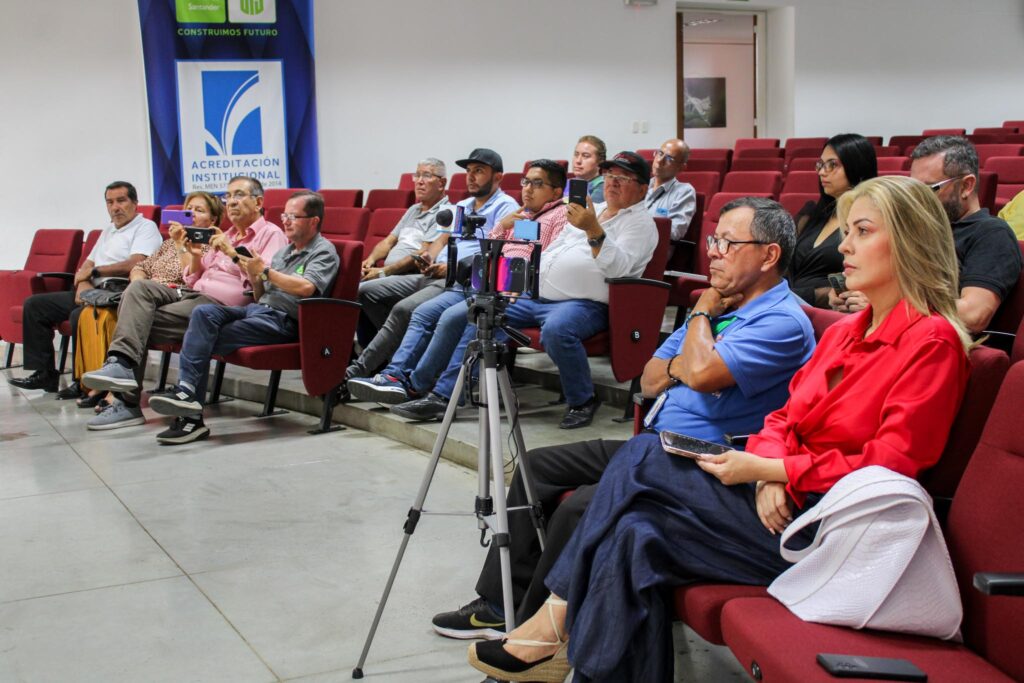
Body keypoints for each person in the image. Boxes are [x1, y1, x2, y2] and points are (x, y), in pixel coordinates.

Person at [467, 175, 973, 683]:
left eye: (862, 231)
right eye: (848, 231)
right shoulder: (847, 331)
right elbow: (783, 417)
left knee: (643, 456)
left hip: (831, 531)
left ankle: (556, 618)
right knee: (634, 535)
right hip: (779, 497)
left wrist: (775, 468)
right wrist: (773, 473)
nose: (844, 244)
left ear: (908, 240)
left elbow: (891, 468)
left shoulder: (931, 341)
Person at [430, 197, 814, 641]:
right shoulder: (722, 307)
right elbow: (650, 378)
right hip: (656, 442)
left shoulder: (780, 320)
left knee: (579, 505)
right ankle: (499, 602)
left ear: (770, 255)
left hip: (704, 462)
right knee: (536, 468)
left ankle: (533, 628)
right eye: (714, 240)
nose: (714, 252)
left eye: (728, 243)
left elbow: (705, 374)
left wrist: (702, 317)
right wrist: (687, 360)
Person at [392, 152, 658, 429]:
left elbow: (619, 269)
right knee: (484, 312)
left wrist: (591, 228)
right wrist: (520, 286)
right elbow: (553, 251)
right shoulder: (594, 207)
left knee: (557, 329)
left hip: (586, 303)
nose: (612, 183)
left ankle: (583, 400)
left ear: (642, 187)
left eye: (622, 178)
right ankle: (445, 396)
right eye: (609, 176)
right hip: (536, 295)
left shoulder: (640, 224)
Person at [348, 159, 569, 406]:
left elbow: (539, 253)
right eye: (526, 182)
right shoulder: (522, 215)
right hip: (479, 280)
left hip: (502, 287)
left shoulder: (559, 215)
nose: (527, 188)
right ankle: (395, 375)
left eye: (536, 183)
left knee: (446, 317)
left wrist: (504, 235)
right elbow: (493, 249)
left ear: (557, 191)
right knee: (421, 313)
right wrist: (501, 227)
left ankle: (418, 386)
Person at [82, 175, 286, 430]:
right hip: (193, 294)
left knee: (135, 323)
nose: (231, 202)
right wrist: (190, 252)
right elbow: (194, 277)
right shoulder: (227, 234)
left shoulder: (271, 234)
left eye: (239, 195)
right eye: (228, 196)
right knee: (138, 291)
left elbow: (266, 285)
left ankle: (126, 402)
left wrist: (231, 254)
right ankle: (120, 365)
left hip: (223, 308)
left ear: (258, 202)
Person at [146, 192, 339, 443]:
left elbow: (306, 288)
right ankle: (188, 398)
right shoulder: (285, 253)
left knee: (200, 338)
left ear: (313, 221)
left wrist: (265, 272)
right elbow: (260, 295)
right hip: (259, 311)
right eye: (284, 216)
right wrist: (257, 278)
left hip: (285, 321)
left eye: (293, 216)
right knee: (203, 313)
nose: (286, 221)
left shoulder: (323, 251)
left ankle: (190, 417)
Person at [342, 148, 518, 389]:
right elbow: (442, 240)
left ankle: (360, 370)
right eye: (468, 171)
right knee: (366, 291)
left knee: (405, 310)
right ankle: (390, 360)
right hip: (433, 273)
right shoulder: (463, 205)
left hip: (461, 282)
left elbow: (500, 254)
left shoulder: (506, 207)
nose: (471, 176)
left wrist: (449, 269)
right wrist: (428, 257)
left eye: (479, 171)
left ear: (498, 177)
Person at [10, 181, 162, 394]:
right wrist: (82, 286)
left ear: (135, 203)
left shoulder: (145, 227)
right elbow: (86, 265)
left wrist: (92, 274)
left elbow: (135, 264)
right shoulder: (109, 229)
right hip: (92, 289)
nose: (115, 207)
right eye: (110, 202)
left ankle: (82, 382)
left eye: (121, 200)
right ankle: (45, 374)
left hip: (119, 292)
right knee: (35, 305)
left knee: (78, 315)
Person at [74, 191, 219, 410]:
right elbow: (141, 266)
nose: (193, 216)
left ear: (213, 219)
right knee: (135, 314)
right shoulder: (169, 243)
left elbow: (190, 275)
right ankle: (120, 386)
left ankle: (122, 395)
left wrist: (182, 245)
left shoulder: (210, 243)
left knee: (134, 316)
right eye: (189, 211)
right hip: (154, 295)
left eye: (200, 211)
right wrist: (139, 281)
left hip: (180, 293)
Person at [355, 158, 450, 344]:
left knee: (363, 290)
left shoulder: (446, 212)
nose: (419, 181)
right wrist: (370, 260)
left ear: (442, 183)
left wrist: (383, 272)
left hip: (412, 274)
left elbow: (423, 254)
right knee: (348, 286)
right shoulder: (413, 209)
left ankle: (391, 346)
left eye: (427, 175)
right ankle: (370, 352)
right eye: (417, 175)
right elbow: (389, 241)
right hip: (392, 274)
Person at [789, 133, 877, 307]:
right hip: (792, 305)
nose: (822, 172)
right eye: (821, 164)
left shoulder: (870, 220)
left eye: (832, 165)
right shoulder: (810, 215)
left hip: (835, 309)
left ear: (856, 166)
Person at [645, 138, 697, 241]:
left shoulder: (684, 191)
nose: (660, 161)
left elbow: (674, 232)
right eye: (660, 153)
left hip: (653, 250)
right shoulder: (641, 185)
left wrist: (635, 225)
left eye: (669, 158)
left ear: (682, 168)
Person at [572, 135, 607, 203]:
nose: (578, 161)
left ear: (600, 162)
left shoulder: (603, 188)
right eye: (576, 154)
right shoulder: (569, 182)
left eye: (586, 156)